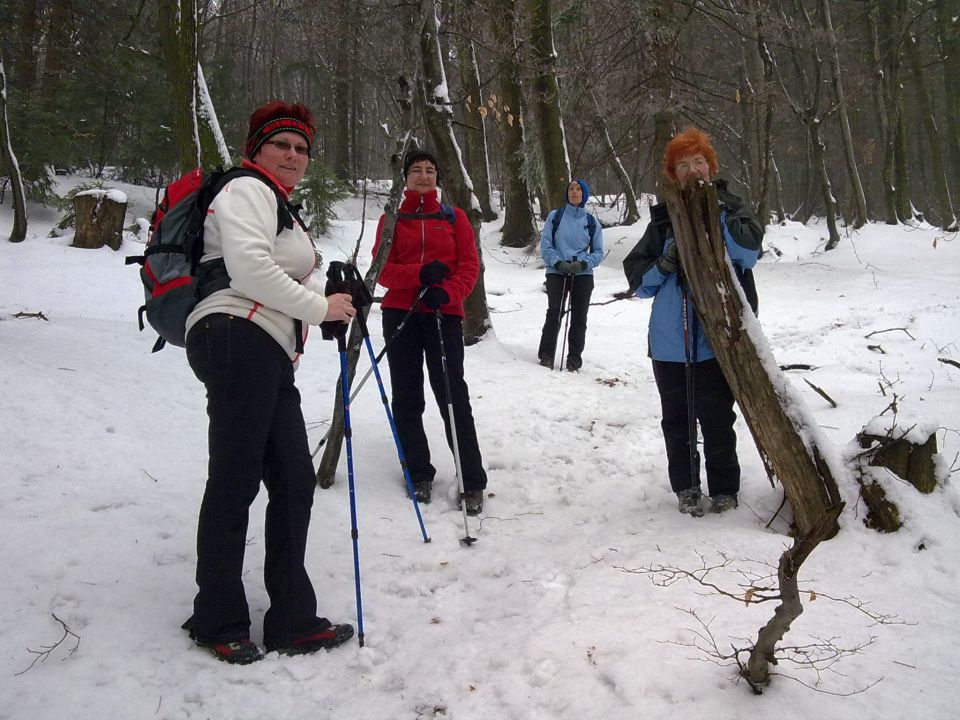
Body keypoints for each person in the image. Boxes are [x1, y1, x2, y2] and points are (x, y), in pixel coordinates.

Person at [181, 100, 357, 664]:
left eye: (302, 148)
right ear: (255, 150)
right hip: (236, 332)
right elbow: (250, 270)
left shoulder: (279, 203)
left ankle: (291, 619)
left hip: (267, 346)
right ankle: (219, 617)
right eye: (281, 144)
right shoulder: (248, 189)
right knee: (235, 478)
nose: (293, 155)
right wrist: (319, 307)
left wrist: (329, 302)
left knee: (293, 479)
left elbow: (280, 276)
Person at [623, 127, 763, 517]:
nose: (692, 170)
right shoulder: (663, 221)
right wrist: (665, 262)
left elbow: (749, 253)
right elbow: (638, 280)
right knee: (677, 420)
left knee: (718, 417)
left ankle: (724, 489)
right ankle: (685, 487)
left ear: (710, 165)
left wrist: (714, 214)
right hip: (670, 339)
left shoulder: (732, 207)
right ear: (673, 174)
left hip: (719, 338)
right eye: (682, 165)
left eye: (698, 161)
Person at [371, 150, 488, 515]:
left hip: (443, 314)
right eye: (417, 171)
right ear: (405, 177)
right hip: (400, 313)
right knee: (407, 396)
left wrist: (447, 292)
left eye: (430, 171)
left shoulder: (454, 218)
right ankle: (418, 472)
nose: (424, 176)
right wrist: (419, 274)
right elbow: (382, 270)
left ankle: (471, 480)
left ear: (438, 178)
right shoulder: (391, 218)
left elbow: (470, 265)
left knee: (452, 394)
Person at [537, 179, 605, 371]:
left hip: (582, 272)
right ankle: (546, 353)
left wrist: (584, 263)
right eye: (571, 189)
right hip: (557, 271)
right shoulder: (555, 216)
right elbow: (546, 244)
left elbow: (598, 251)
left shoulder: (592, 222)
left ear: (584, 194)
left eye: (578, 189)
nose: (574, 192)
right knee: (554, 312)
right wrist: (557, 262)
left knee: (579, 315)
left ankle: (574, 357)